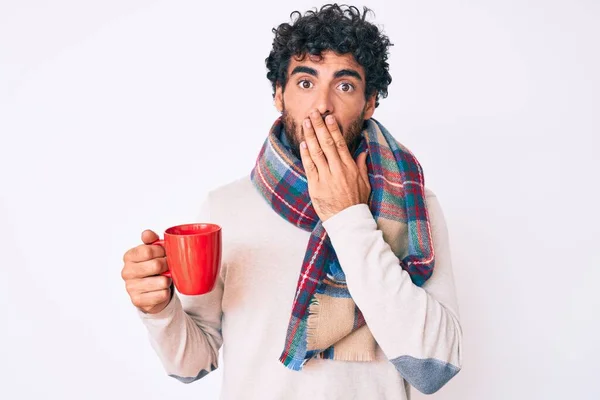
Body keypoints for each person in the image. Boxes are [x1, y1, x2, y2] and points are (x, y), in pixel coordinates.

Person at [121, 4, 462, 399]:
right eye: (305, 83)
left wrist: (349, 217)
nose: (322, 105)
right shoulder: (226, 207)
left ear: (369, 104)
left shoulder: (413, 207)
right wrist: (160, 310)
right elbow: (192, 364)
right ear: (278, 94)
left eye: (345, 85)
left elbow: (436, 366)